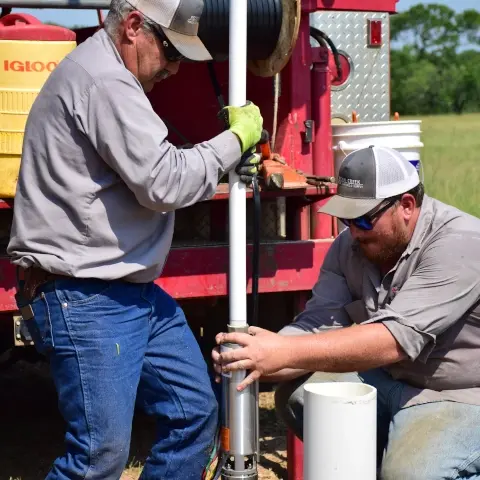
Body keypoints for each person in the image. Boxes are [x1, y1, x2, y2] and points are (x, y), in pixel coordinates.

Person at [7, 0, 263, 478]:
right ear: (132, 26)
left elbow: (153, 171)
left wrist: (219, 158)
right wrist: (234, 141)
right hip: (85, 293)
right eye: (170, 51)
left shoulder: (111, 76)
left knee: (193, 414)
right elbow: (164, 182)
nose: (173, 67)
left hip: (126, 288)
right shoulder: (104, 80)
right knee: (97, 457)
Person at [213, 145, 480, 480]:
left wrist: (281, 352)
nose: (354, 231)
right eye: (347, 218)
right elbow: (316, 326)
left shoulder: (461, 242)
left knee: (408, 475)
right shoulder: (350, 246)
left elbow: (394, 340)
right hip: (392, 381)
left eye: (365, 219)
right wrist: (253, 357)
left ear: (407, 206)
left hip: (459, 394)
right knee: (301, 395)